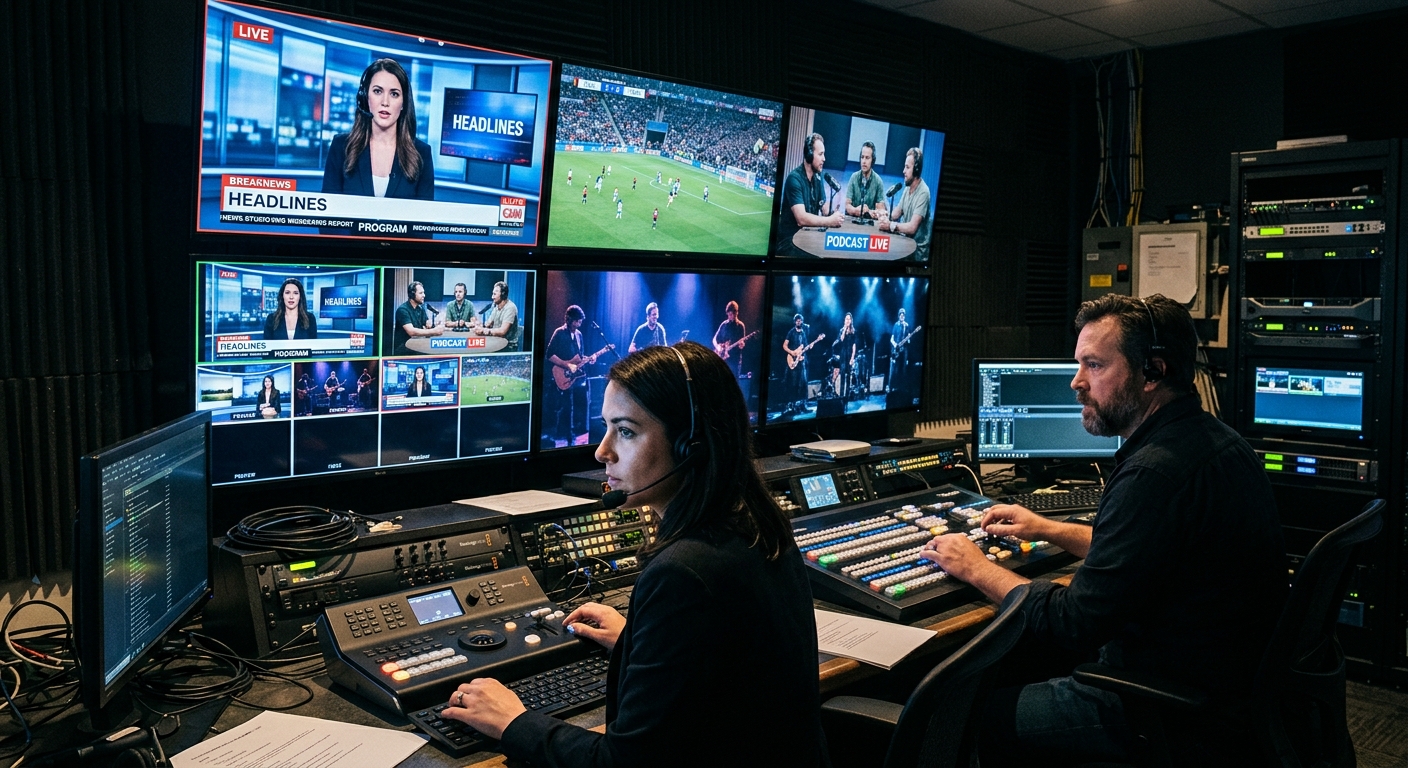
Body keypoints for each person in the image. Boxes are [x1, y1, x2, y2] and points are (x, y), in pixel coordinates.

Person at [920, 294, 1288, 766]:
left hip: (1162, 706)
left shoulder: (1153, 475)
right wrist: (1048, 528)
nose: (1076, 383)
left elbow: (1071, 623)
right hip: (1228, 685)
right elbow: (1150, 551)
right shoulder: (1215, 442)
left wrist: (974, 567)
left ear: (1152, 372)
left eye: (1093, 366)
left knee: (953, 714)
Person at [442, 342, 828, 766]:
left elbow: (622, 762)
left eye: (625, 431)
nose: (602, 451)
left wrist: (513, 721)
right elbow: (732, 675)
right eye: (606, 427)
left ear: (690, 445)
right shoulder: (757, 523)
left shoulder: (684, 572)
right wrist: (637, 643)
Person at [321, 59, 433, 200]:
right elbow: (328, 215)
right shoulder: (341, 147)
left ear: (403, 103)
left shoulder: (421, 153)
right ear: (365, 97)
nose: (385, 102)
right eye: (377, 91)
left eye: (394, 94)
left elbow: (423, 219)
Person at [776, 133, 844, 255]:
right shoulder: (794, 179)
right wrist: (829, 221)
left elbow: (824, 208)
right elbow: (801, 219)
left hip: (807, 237)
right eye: (820, 154)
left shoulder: (818, 177)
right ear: (809, 155)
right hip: (789, 242)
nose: (824, 159)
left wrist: (836, 205)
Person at [545, 305, 589, 445]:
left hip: (575, 378)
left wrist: (589, 359)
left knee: (576, 406)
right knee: (563, 408)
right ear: (570, 320)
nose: (579, 324)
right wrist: (567, 365)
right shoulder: (559, 333)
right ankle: (561, 437)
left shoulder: (579, 335)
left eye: (580, 321)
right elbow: (549, 355)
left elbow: (580, 357)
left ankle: (573, 437)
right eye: (577, 321)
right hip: (561, 376)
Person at [875, 147, 931, 260]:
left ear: (916, 169)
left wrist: (890, 225)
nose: (903, 171)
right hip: (905, 241)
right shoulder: (907, 188)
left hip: (916, 252)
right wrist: (882, 214)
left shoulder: (924, 192)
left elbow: (912, 228)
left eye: (907, 167)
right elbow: (896, 214)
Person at [392, 281, 443, 355]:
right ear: (412, 294)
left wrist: (434, 324)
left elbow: (426, 324)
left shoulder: (420, 308)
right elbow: (411, 332)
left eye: (424, 293)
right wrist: (434, 331)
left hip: (417, 345)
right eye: (421, 293)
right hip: (404, 349)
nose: (424, 295)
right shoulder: (403, 310)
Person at [845, 141, 887, 220]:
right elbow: (847, 206)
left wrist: (868, 212)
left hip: (870, 223)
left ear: (873, 160)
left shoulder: (878, 181)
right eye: (862, 157)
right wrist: (855, 210)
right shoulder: (853, 177)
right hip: (853, 220)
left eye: (867, 158)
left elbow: (880, 210)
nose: (864, 161)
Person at [473, 280, 520, 351]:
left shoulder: (510, 308)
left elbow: (502, 331)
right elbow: (488, 324)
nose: (492, 297)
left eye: (494, 294)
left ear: (503, 294)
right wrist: (479, 326)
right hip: (497, 341)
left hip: (509, 346)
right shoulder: (496, 307)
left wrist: (486, 331)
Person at [781, 313, 812, 415]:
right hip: (793, 360)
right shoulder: (791, 332)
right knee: (793, 383)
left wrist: (809, 347)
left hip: (802, 361)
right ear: (795, 322)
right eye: (797, 320)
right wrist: (792, 352)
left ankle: (803, 405)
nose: (799, 322)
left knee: (803, 383)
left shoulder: (803, 333)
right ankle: (792, 406)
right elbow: (784, 346)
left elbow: (805, 346)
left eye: (800, 320)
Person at [712, 300, 748, 376]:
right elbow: (714, 339)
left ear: (736, 313)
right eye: (728, 314)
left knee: (734, 382)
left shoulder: (740, 326)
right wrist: (718, 347)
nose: (729, 316)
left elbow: (742, 344)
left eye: (731, 314)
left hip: (735, 360)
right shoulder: (724, 324)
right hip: (723, 359)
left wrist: (741, 345)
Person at [830, 312, 857, 398]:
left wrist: (852, 357)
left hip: (849, 354)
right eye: (846, 319)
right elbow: (841, 339)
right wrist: (845, 329)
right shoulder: (842, 330)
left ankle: (847, 395)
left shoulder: (853, 331)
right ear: (844, 320)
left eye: (849, 319)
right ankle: (841, 395)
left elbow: (854, 345)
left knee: (848, 375)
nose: (848, 320)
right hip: (843, 354)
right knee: (842, 375)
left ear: (851, 320)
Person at [888, 308, 912, 394]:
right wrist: (895, 345)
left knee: (903, 369)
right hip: (896, 349)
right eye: (900, 315)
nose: (902, 316)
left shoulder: (907, 325)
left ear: (904, 316)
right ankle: (893, 388)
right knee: (895, 369)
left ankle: (902, 389)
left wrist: (909, 339)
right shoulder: (896, 325)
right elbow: (891, 339)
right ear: (898, 316)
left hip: (904, 350)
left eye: (903, 315)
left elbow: (909, 339)